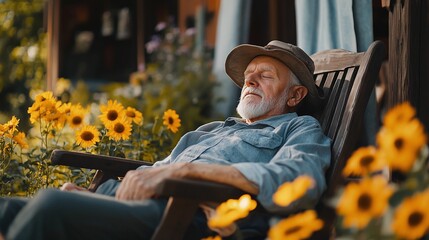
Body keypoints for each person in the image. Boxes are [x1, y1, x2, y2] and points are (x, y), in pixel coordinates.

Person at [0, 40, 331, 240]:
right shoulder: (212, 130)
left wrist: (188, 174)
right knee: (8, 209)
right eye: (248, 76)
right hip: (140, 203)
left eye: (265, 75)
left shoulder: (299, 130)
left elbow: (300, 180)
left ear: (296, 94)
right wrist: (94, 197)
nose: (250, 81)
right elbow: (159, 171)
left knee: (51, 207)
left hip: (192, 217)